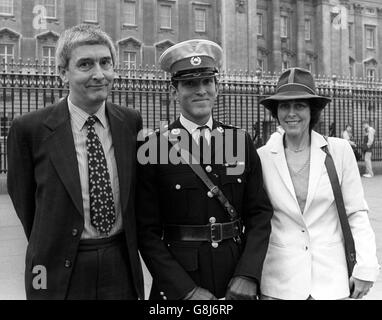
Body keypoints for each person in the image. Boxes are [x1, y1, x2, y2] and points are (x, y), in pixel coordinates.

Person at [7, 24, 144, 300]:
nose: (99, 74)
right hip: (56, 266)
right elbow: (26, 204)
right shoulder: (29, 129)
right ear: (62, 73)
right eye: (85, 64)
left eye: (105, 63)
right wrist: (53, 239)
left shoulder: (131, 122)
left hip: (119, 261)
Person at [136, 39, 273, 300]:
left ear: (217, 87)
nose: (200, 90)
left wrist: (248, 274)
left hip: (235, 280)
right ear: (173, 91)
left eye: (207, 82)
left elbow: (259, 214)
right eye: (189, 83)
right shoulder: (154, 146)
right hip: (181, 281)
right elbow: (146, 232)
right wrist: (185, 291)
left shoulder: (238, 141)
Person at [258, 67, 379, 300]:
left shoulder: (339, 151)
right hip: (278, 283)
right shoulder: (262, 157)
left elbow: (356, 212)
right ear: (276, 112)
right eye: (284, 106)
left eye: (300, 105)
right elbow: (256, 220)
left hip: (331, 282)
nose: (291, 113)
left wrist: (366, 267)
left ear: (312, 111)